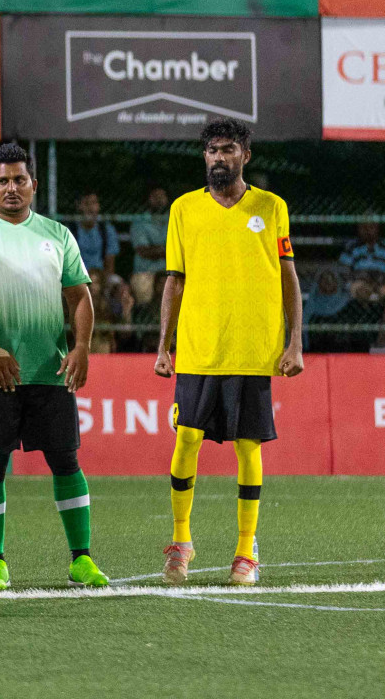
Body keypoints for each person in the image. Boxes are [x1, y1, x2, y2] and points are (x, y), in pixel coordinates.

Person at [0, 142, 109, 591]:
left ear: (33, 184)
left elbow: (80, 298)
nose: (11, 188)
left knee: (66, 460)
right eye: (2, 181)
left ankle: (81, 560)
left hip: (49, 372)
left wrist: (82, 348)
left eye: (19, 179)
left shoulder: (58, 234)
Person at [155, 118, 303, 586]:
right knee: (187, 440)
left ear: (246, 156)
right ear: (204, 157)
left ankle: (245, 551)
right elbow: (173, 280)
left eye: (228, 149)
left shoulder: (270, 207)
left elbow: (288, 277)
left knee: (248, 445)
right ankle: (181, 541)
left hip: (253, 347)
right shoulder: (183, 209)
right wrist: (163, 346)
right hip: (199, 346)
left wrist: (295, 340)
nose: (219, 157)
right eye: (212, 150)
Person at [129, 186, 170, 305]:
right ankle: (146, 319)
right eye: (155, 197)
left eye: (162, 196)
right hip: (145, 270)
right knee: (142, 286)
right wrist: (167, 251)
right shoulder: (140, 220)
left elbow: (181, 249)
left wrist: (156, 250)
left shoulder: (174, 218)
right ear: (148, 199)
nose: (159, 200)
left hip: (170, 270)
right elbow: (143, 251)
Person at [73, 193, 120, 277]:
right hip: (77, 276)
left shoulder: (107, 230)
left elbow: (110, 264)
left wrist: (103, 280)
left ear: (98, 206)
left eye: (94, 203)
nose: (90, 208)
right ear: (79, 206)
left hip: (101, 275)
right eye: (86, 204)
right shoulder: (70, 230)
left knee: (122, 288)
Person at [339, 220, 385, 302]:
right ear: (358, 229)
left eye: (371, 227)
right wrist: (351, 284)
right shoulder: (352, 246)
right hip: (360, 281)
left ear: (377, 228)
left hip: (381, 280)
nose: (367, 230)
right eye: (363, 227)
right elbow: (344, 269)